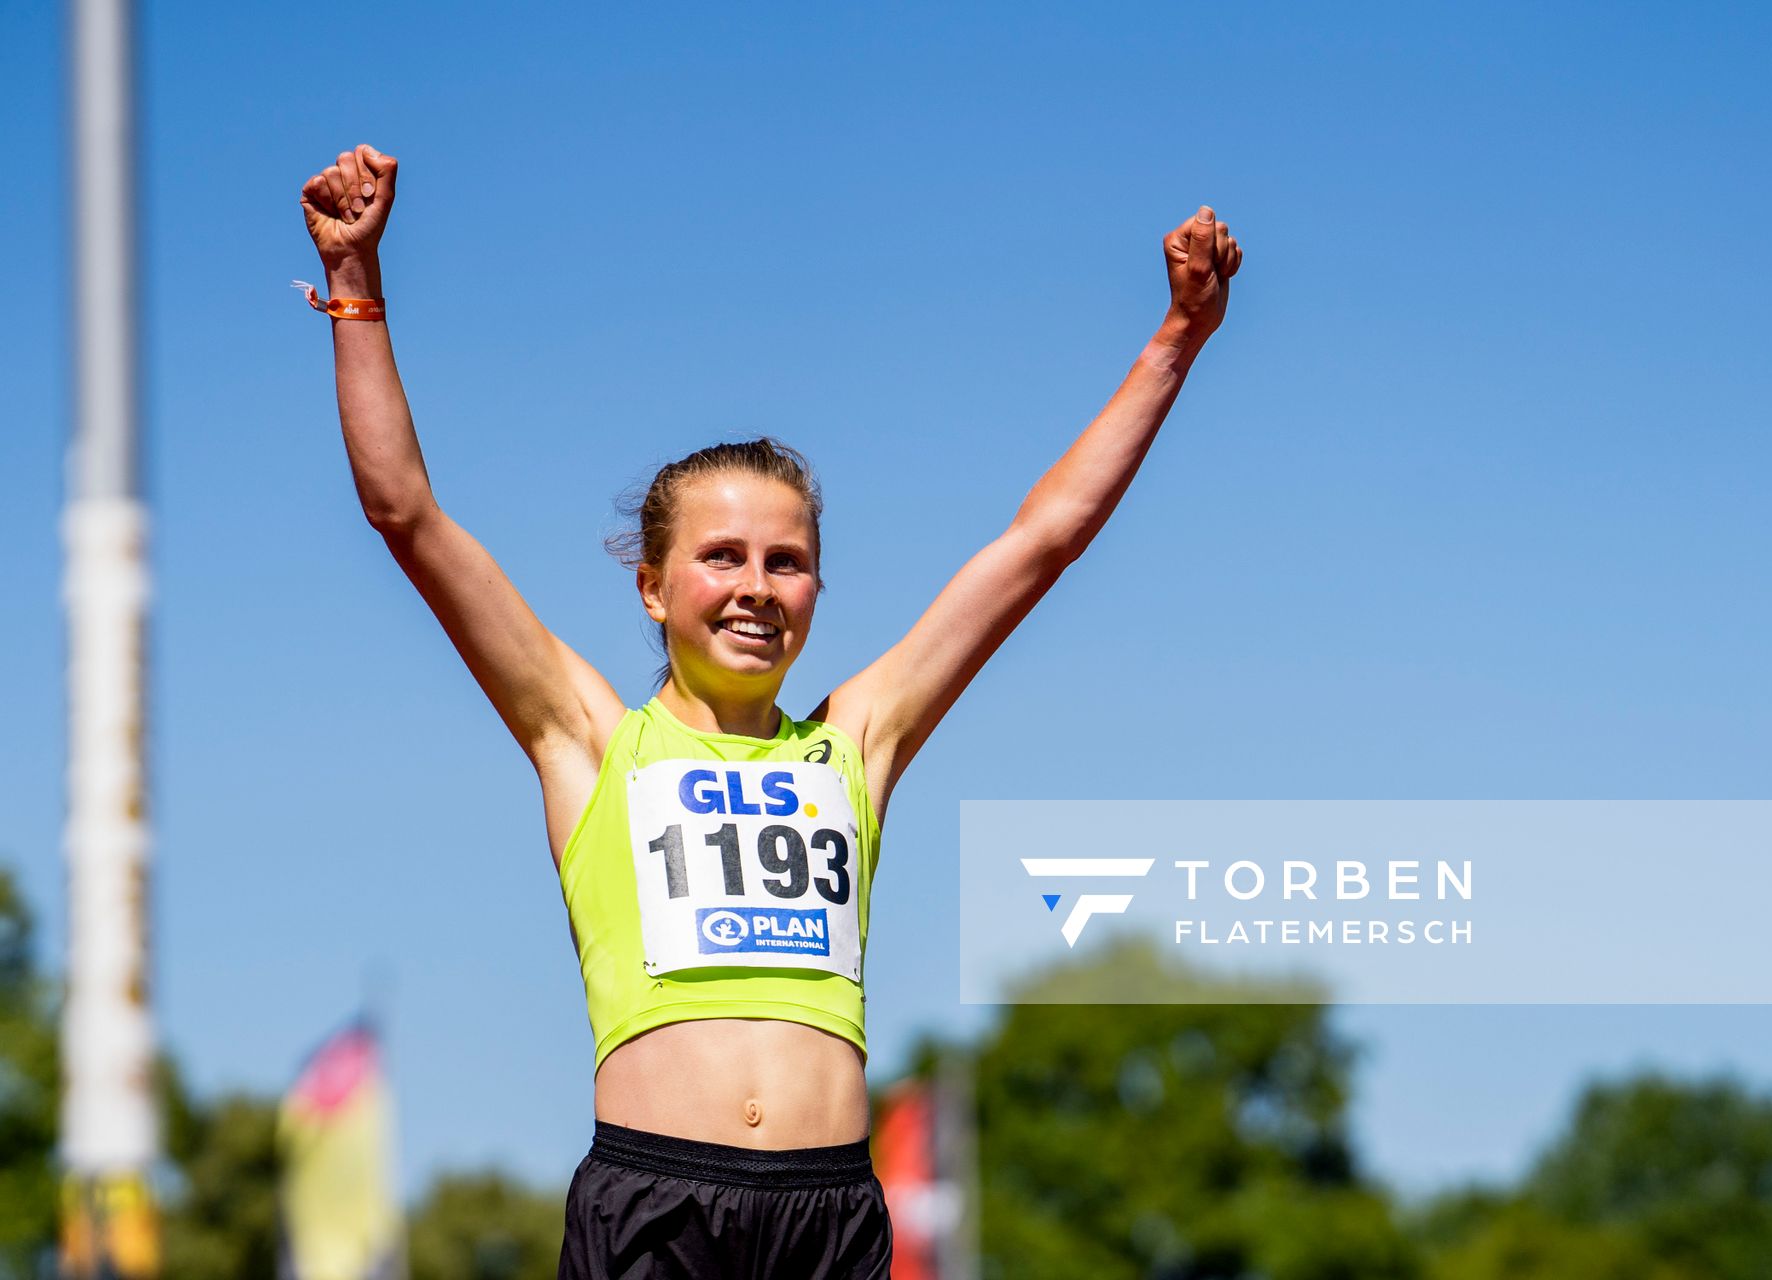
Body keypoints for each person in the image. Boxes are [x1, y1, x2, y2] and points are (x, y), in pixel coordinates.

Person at [298, 142, 1241, 1279]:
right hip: (653, 1204)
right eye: (722, 556)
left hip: (830, 1215)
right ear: (652, 585)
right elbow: (407, 516)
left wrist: (1176, 340)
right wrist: (357, 288)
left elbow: (1039, 545)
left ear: (817, 585)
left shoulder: (857, 740)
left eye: (787, 560)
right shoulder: (590, 738)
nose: (756, 585)